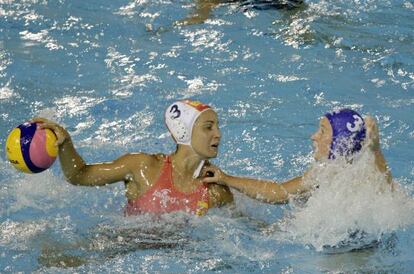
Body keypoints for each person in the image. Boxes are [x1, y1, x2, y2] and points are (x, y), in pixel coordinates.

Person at [34, 100, 295, 216]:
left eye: (217, 126)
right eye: (208, 127)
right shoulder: (142, 167)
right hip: (120, 247)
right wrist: (66, 145)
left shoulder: (215, 192)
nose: (218, 134)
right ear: (184, 131)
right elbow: (79, 176)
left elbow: (243, 230)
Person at [202, 109, 393, 201]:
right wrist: (226, 178)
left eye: (323, 131)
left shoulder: (363, 179)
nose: (314, 136)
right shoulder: (323, 173)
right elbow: (279, 192)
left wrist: (375, 150)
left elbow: (389, 195)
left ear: (341, 141)